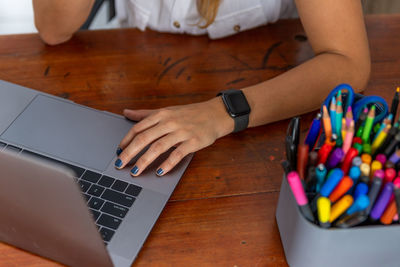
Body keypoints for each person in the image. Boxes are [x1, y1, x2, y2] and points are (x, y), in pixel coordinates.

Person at [32, 0, 371, 177]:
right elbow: (53, 29)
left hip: (270, 100)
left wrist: (224, 111)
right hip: (130, 84)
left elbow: (347, 61)